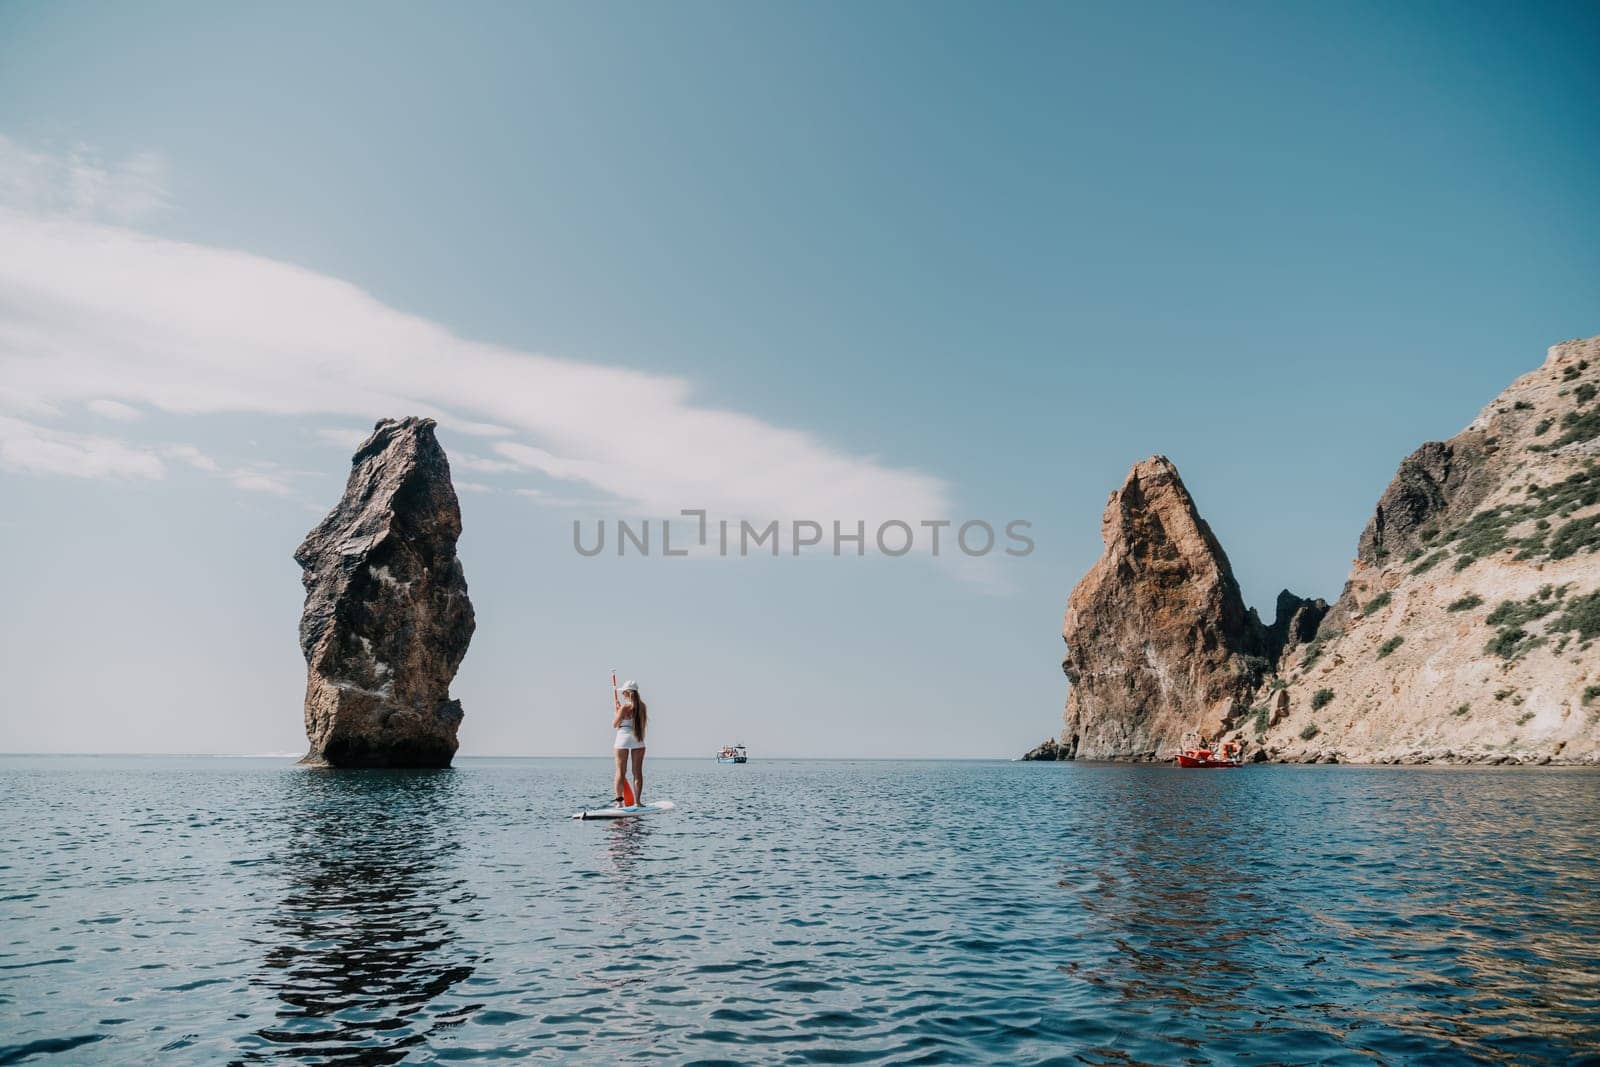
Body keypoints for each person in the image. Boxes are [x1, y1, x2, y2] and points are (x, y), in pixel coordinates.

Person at [612, 679, 647, 806]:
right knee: (637, 772)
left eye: (623, 692)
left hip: (623, 738)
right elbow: (641, 724)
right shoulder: (642, 707)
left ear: (627, 693)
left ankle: (619, 803)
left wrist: (617, 712)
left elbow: (615, 724)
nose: (622, 695)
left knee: (620, 772)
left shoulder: (624, 708)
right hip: (638, 738)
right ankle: (637, 802)